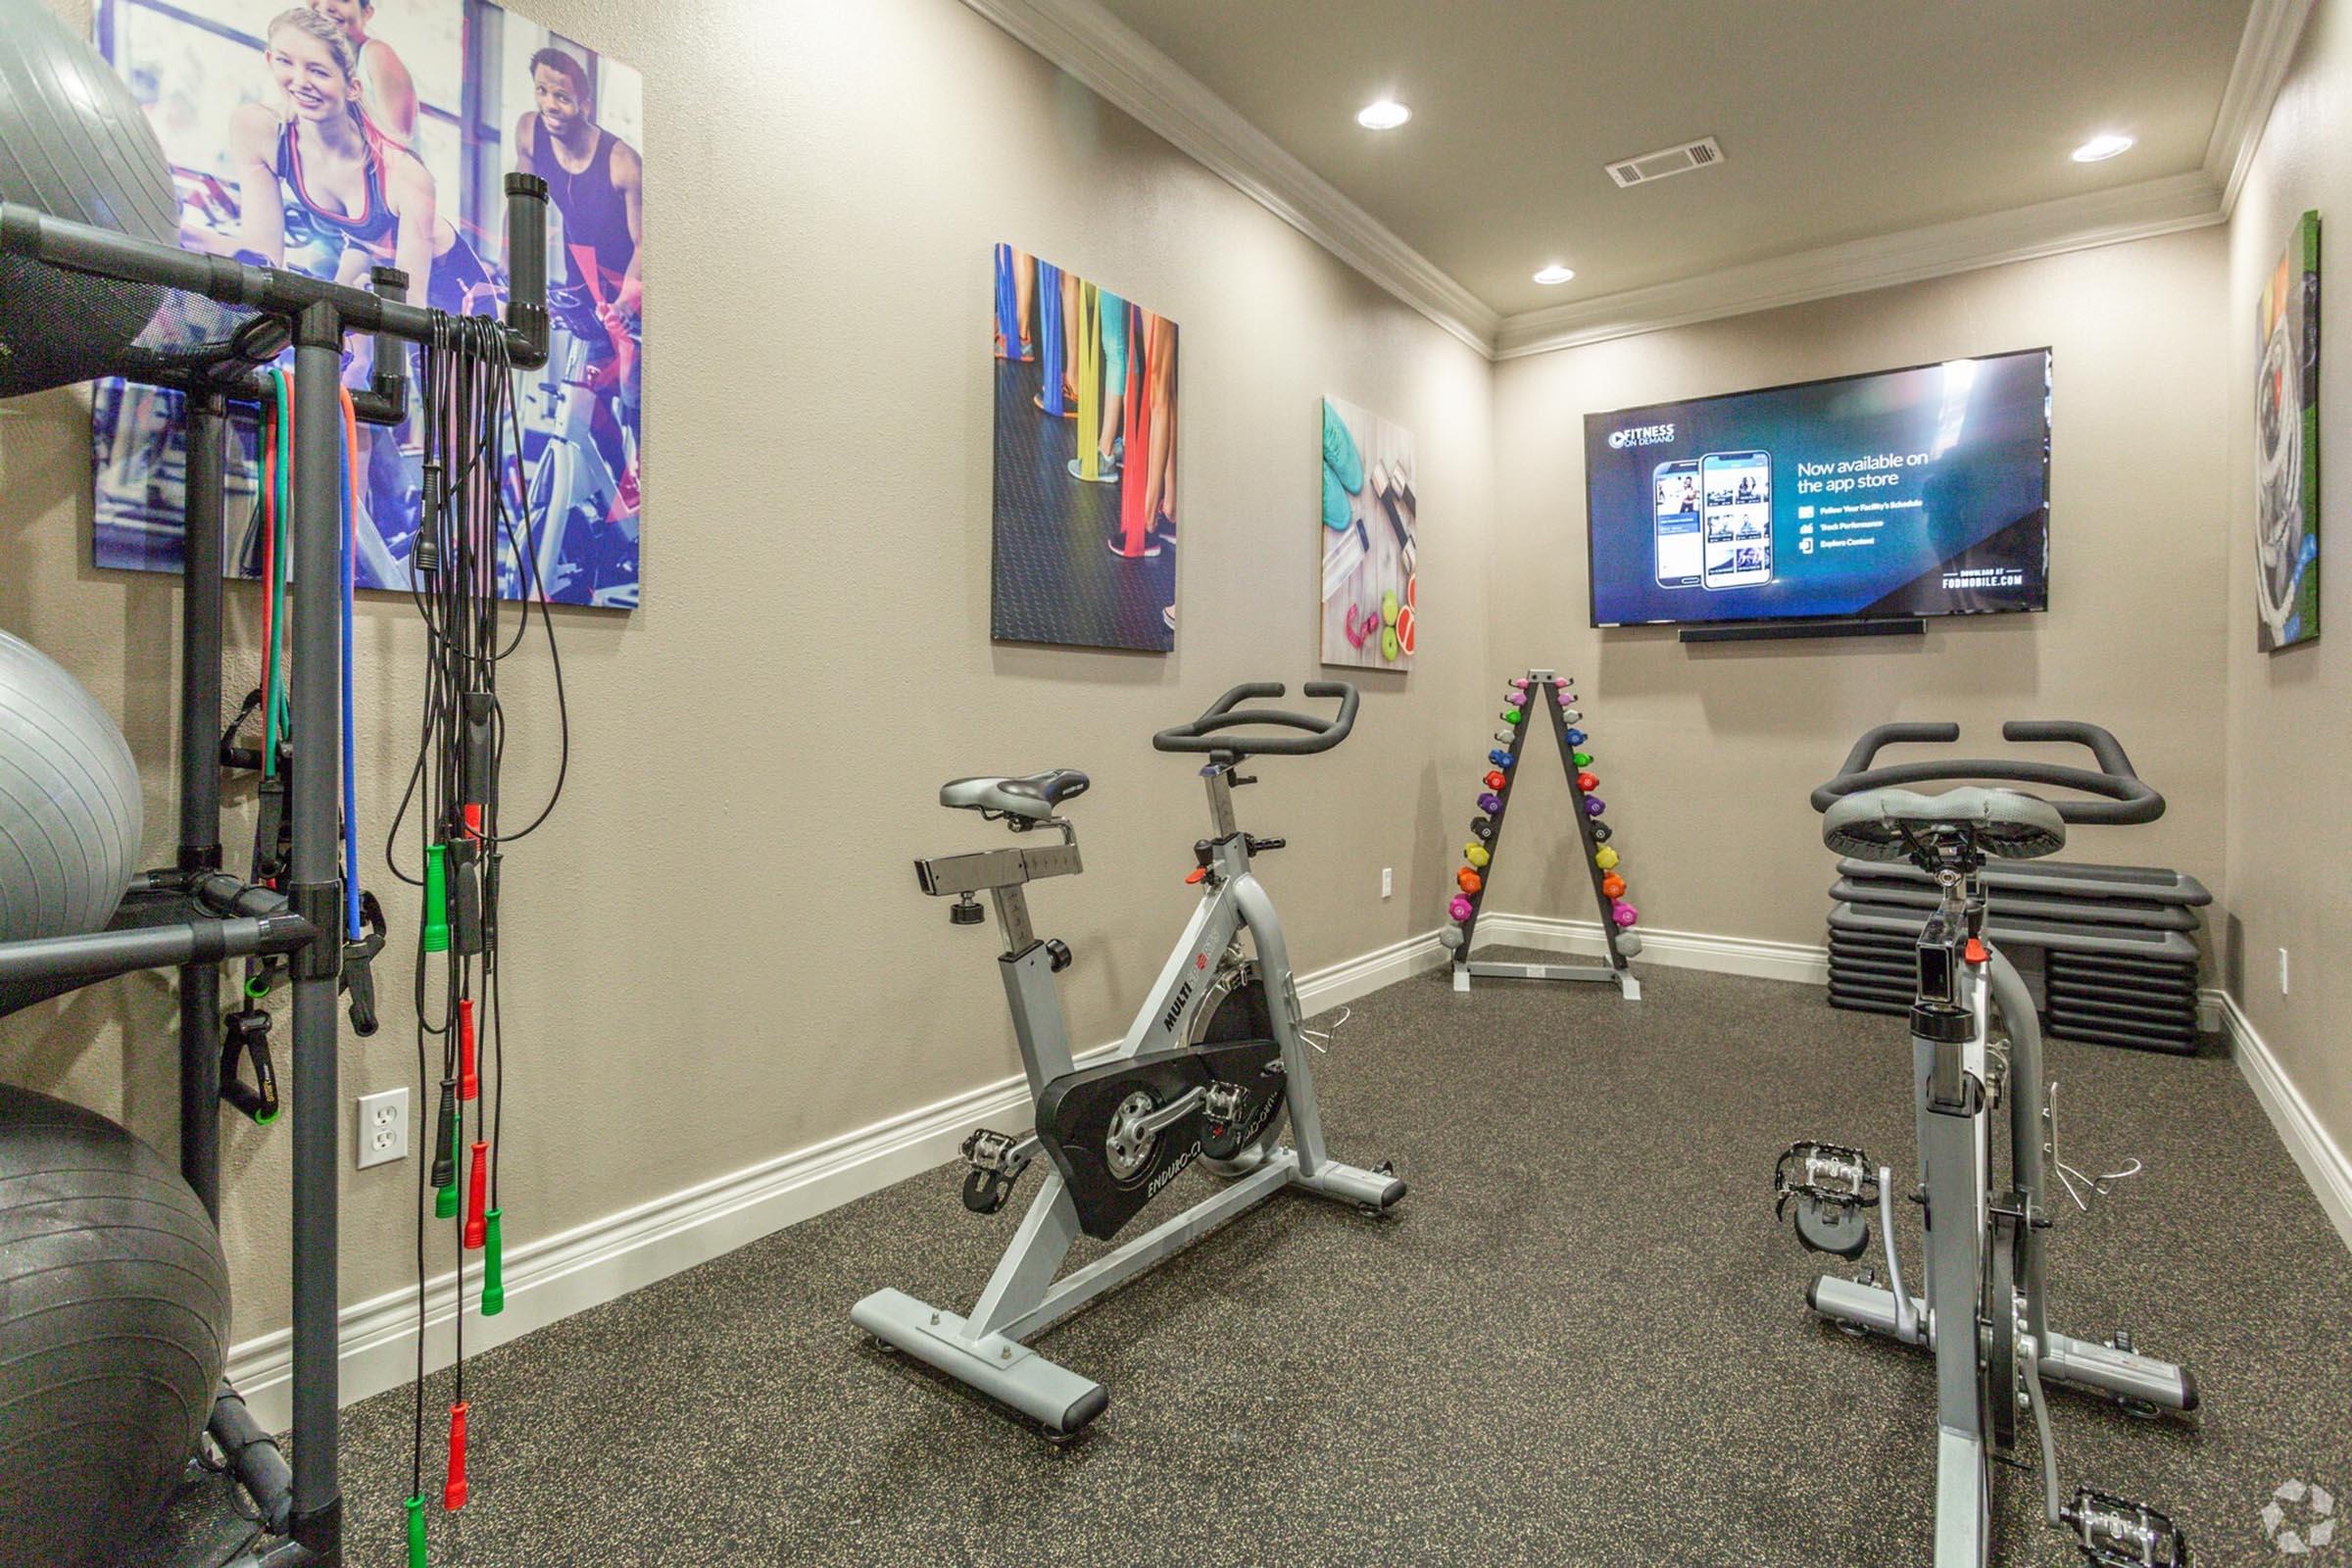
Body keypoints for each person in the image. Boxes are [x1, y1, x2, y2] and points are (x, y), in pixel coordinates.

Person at [227, 8, 493, 318]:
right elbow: (264, 259)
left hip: (453, 294)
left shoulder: (404, 175)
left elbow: (410, 308)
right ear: (269, 60)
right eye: (285, 62)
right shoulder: (258, 130)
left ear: (352, 87)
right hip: (372, 263)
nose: (299, 82)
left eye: (318, 71)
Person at [514, 45, 643, 513]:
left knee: (632, 399)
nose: (550, 104)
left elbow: (645, 247)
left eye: (562, 96)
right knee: (588, 402)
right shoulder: (529, 132)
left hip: (630, 291)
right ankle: (616, 500)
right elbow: (525, 208)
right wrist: (518, 278)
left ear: (585, 104)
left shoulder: (622, 162)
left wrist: (624, 306)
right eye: (543, 91)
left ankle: (642, 495)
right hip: (582, 287)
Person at [306, 0, 417, 144]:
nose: (327, 5)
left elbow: (399, 142)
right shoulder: (319, 59)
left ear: (366, 13)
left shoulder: (377, 54)